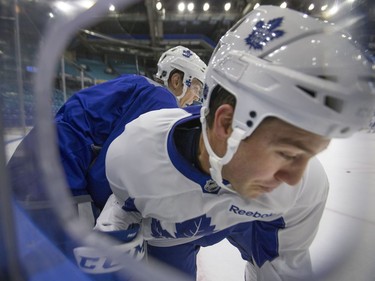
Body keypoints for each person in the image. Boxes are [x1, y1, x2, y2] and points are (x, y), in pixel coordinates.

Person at [92, 5, 375, 281]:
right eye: (288, 153)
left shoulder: (306, 187)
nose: (294, 177)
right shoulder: (134, 154)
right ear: (226, 124)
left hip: (228, 218)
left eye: (311, 154)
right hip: (189, 223)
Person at [8, 45, 207, 209]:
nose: (197, 96)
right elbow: (106, 172)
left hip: (41, 153)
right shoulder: (162, 99)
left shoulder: (140, 85)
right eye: (196, 86)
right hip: (60, 166)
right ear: (176, 79)